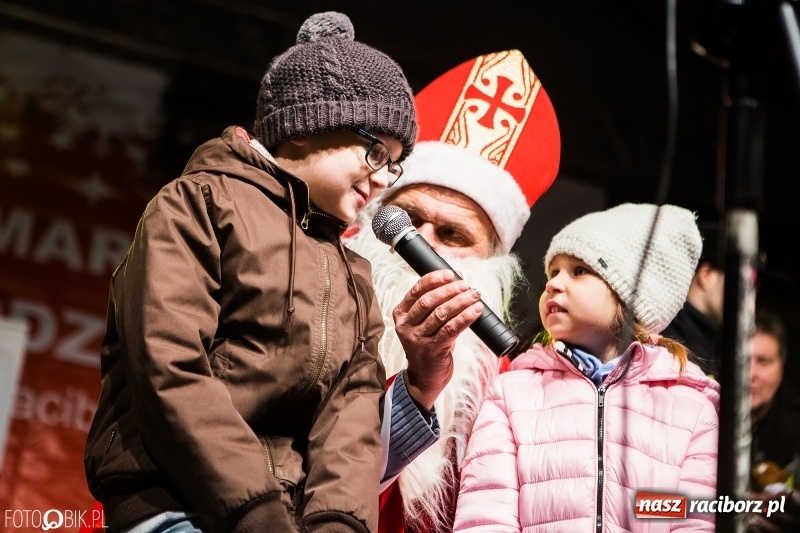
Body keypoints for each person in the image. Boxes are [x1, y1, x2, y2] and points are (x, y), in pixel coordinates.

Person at [82, 12, 485, 533]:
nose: (385, 176)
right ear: (305, 127)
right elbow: (170, 368)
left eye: (396, 162)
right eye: (377, 150)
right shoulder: (198, 205)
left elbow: (350, 419)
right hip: (180, 503)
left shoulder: (351, 272)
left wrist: (336, 524)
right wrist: (259, 514)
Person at [343, 49, 560, 532]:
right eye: (409, 220)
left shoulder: (507, 386)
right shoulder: (309, 290)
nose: (420, 249)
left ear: (489, 265)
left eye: (454, 236)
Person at [453, 203, 721, 532]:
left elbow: (696, 520)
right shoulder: (512, 392)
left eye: (579, 271)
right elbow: (486, 513)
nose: (553, 284)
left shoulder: (692, 406)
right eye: (553, 272)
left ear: (632, 296)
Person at [745, 308, 800, 532]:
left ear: (781, 368)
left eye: (764, 361)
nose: (751, 374)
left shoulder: (795, 423)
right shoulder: (705, 413)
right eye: (744, 359)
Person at [662, 219, 725, 378]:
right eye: (741, 282)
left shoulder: (713, 346)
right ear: (706, 275)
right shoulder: (665, 344)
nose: (749, 297)